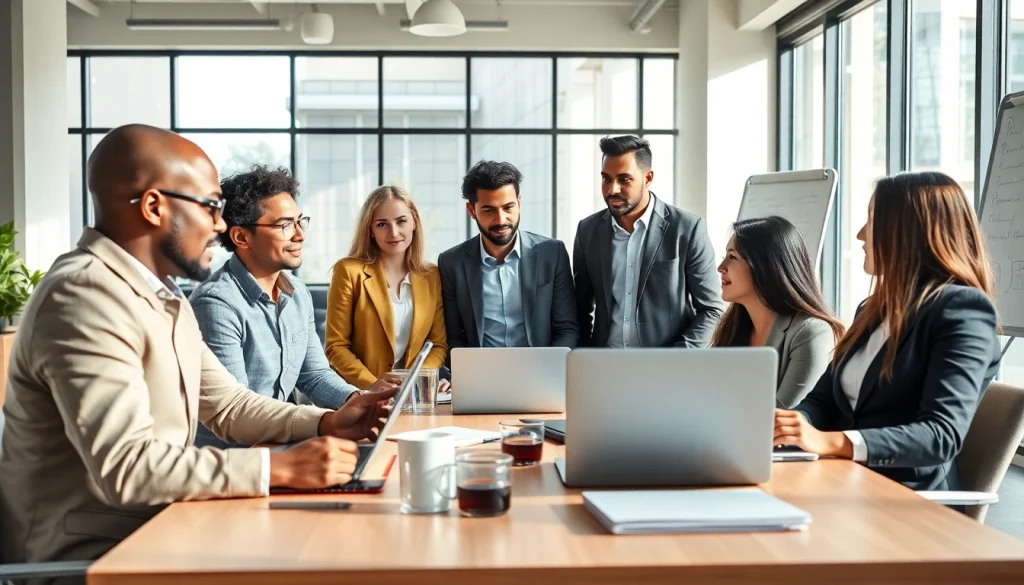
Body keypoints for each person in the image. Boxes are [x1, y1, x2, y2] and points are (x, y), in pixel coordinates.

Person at [0, 125, 397, 569]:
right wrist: (278, 469)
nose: (221, 225)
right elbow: (127, 468)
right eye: (210, 206)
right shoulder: (84, 295)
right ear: (153, 206)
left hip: (160, 526)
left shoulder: (163, 295)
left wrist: (327, 421)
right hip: (94, 556)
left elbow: (227, 404)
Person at [774, 172, 1001, 491]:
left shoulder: (963, 310)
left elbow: (940, 435)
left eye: (871, 220)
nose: (860, 235)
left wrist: (834, 442)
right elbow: (822, 401)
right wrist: (787, 427)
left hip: (907, 498)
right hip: (846, 481)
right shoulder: (871, 310)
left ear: (909, 232)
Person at [189, 165, 399, 449]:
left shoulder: (297, 293)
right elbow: (236, 412)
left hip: (282, 443)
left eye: (300, 222)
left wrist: (356, 401)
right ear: (241, 237)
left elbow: (314, 375)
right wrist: (324, 422)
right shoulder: (216, 303)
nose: (299, 235)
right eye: (284, 225)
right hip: (236, 459)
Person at [573, 135, 724, 348]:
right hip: (605, 367)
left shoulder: (687, 229)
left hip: (665, 369)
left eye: (624, 179)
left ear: (648, 178)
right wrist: (584, 358)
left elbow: (712, 310)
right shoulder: (587, 231)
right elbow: (579, 310)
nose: (612, 189)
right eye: (606, 178)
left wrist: (676, 358)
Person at [438, 160, 578, 353]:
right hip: (481, 374)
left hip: (540, 372)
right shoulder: (451, 263)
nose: (501, 219)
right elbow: (454, 336)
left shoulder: (552, 254)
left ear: (519, 203)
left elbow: (567, 328)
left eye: (508, 207)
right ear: (472, 211)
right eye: (489, 210)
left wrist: (549, 370)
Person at [325, 185, 448, 389]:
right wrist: (374, 385)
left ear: (414, 223)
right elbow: (336, 347)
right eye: (382, 224)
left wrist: (417, 381)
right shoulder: (348, 271)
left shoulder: (431, 275)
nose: (394, 232)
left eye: (401, 221)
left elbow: (437, 344)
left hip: (413, 396)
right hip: (361, 395)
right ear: (370, 231)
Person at [713, 216, 844, 408]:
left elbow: (786, 416)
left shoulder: (811, 332)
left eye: (732, 257)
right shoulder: (733, 327)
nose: (720, 267)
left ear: (765, 266)